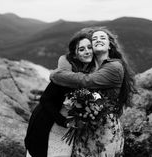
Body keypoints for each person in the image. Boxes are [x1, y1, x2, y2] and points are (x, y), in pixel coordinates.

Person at [50, 27, 136, 157]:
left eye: (103, 38)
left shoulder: (114, 67)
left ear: (110, 45)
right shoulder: (88, 65)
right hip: (85, 126)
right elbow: (68, 57)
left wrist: (55, 74)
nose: (98, 40)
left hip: (105, 128)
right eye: (94, 39)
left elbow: (86, 81)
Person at [24, 28, 96, 157]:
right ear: (74, 55)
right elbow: (45, 100)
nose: (87, 51)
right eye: (81, 49)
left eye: (89, 47)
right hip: (47, 122)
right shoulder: (66, 74)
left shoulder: (91, 73)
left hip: (66, 128)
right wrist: (64, 121)